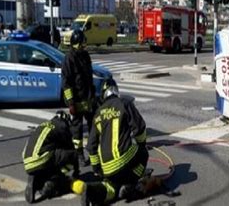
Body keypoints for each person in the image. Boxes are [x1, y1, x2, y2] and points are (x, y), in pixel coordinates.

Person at [82, 78, 149, 205]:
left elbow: (91, 146)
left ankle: (92, 191)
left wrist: (97, 169)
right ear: (116, 91)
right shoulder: (124, 103)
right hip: (122, 158)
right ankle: (131, 184)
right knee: (143, 154)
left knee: (112, 187)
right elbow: (139, 129)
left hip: (107, 167)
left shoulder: (98, 113)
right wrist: (141, 145)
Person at [22, 111, 83, 203]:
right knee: (71, 154)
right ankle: (50, 184)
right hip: (41, 158)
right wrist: (76, 173)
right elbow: (70, 149)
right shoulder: (63, 126)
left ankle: (37, 178)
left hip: (27, 161)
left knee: (53, 157)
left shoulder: (44, 125)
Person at [61, 29, 96, 166]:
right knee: (77, 130)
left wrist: (92, 96)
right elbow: (66, 83)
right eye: (82, 44)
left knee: (94, 126)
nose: (84, 46)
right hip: (76, 102)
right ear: (76, 44)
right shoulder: (69, 59)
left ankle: (94, 150)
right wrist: (70, 103)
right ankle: (79, 155)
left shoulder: (85, 56)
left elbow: (89, 77)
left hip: (87, 99)